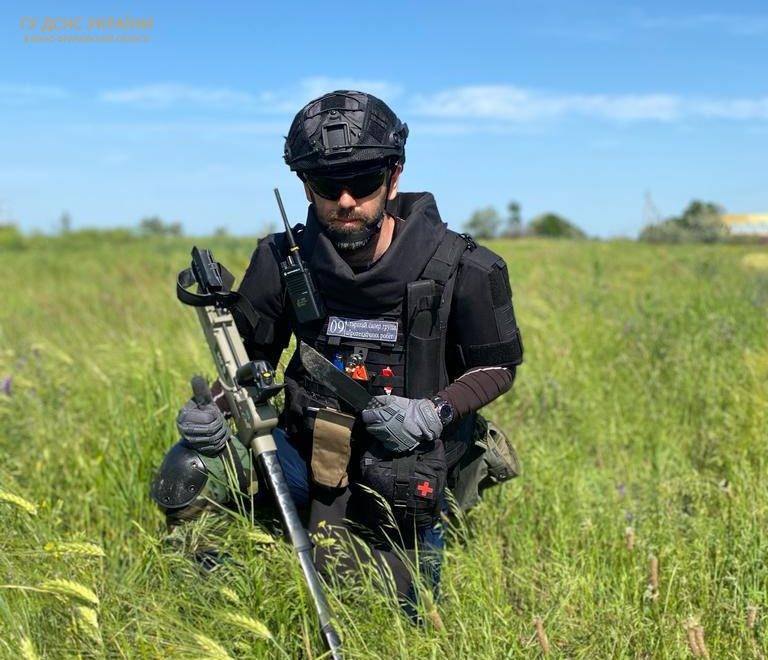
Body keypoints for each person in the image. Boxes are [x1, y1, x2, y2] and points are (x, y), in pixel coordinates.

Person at [151, 90, 523, 614]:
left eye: (364, 181)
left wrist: (433, 411)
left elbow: (497, 364)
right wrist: (211, 410)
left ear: (394, 177)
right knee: (193, 465)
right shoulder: (281, 260)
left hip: (404, 468)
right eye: (328, 184)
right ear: (306, 184)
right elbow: (245, 360)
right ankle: (224, 606)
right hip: (305, 451)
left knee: (400, 622)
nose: (346, 200)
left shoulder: (464, 267)